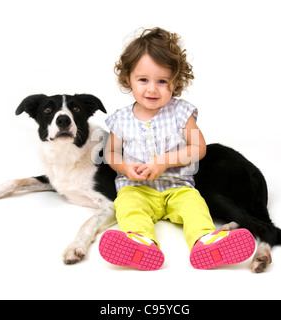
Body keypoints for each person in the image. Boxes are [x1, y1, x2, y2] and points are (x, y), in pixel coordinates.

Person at [99, 27, 255, 271]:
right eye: (143, 80)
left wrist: (164, 161)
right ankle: (140, 242)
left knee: (194, 206)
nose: (152, 89)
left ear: (176, 81)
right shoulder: (120, 120)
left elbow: (198, 148)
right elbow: (110, 154)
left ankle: (206, 241)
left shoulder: (180, 113)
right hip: (137, 188)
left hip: (177, 187)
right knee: (128, 206)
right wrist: (125, 167)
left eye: (162, 81)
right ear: (128, 78)